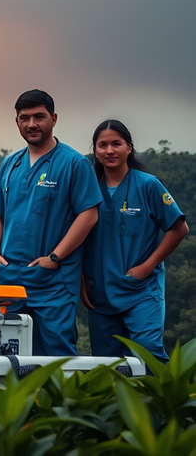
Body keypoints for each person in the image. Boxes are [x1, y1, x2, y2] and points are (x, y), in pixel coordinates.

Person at [0, 89, 101, 356]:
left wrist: (55, 257)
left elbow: (89, 215)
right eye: (24, 118)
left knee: (57, 353)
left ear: (54, 118)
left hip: (53, 281)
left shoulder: (73, 163)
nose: (31, 124)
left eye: (39, 116)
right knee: (13, 355)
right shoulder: (10, 164)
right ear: (16, 121)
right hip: (11, 279)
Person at [82, 120, 187, 362]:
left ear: (129, 147)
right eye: (103, 145)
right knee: (106, 365)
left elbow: (179, 228)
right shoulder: (88, 188)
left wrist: (147, 267)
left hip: (142, 290)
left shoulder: (148, 184)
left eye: (116, 143)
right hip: (99, 292)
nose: (109, 150)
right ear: (95, 151)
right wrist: (80, 279)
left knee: (147, 353)